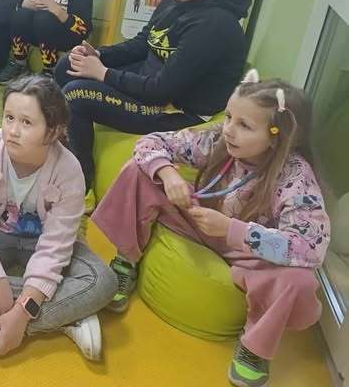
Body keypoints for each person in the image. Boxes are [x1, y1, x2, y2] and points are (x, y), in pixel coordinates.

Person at [92, 70, 330, 387]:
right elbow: (151, 142)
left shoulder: (295, 177)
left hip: (249, 255)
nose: (229, 129)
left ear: (277, 135)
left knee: (299, 280)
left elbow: (309, 246)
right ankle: (126, 259)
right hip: (201, 222)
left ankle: (255, 347)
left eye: (244, 125)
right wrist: (168, 174)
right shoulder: (218, 139)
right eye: (229, 117)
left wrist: (232, 230)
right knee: (139, 170)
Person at [0, 75, 115, 375]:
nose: (13, 131)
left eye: (27, 122)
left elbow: (56, 247)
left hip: (42, 244)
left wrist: (22, 312)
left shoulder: (69, 171)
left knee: (103, 282)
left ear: (53, 131)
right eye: (9, 118)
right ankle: (67, 316)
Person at [55, 0, 251, 191]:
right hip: (152, 79)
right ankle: (64, 144)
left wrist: (102, 73)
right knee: (68, 65)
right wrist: (98, 54)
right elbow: (144, 43)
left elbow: (162, 90)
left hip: (177, 110)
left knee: (76, 94)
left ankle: (80, 184)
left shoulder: (213, 25)